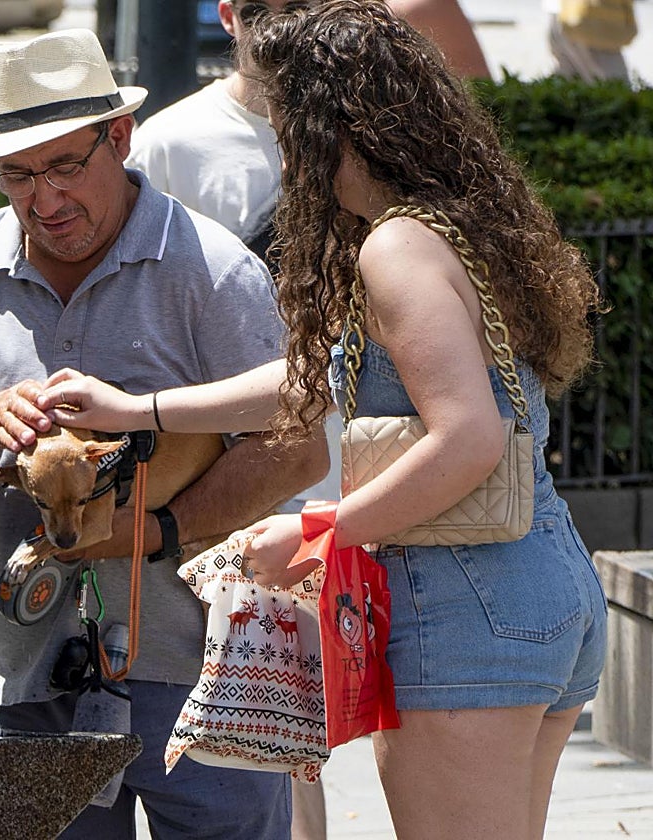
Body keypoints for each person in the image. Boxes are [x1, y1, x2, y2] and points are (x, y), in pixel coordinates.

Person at [44, 4, 608, 837]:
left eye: (286, 123)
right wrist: (140, 409)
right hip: (539, 582)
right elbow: (316, 382)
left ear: (328, 126)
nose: (281, 147)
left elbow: (470, 436)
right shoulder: (455, 224)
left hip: (464, 604)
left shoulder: (396, 247)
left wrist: (318, 534)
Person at [0, 28, 328, 839]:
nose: (46, 198)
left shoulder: (211, 269)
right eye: (18, 174)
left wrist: (158, 530)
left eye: (68, 165)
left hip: (206, 672)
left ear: (122, 138)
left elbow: (297, 445)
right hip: (24, 671)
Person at [125, 3, 337, 836]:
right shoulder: (173, 141)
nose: (285, 22)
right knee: (266, 720)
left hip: (350, 463)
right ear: (230, 15)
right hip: (239, 477)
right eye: (267, 6)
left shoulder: (362, 131)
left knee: (317, 721)